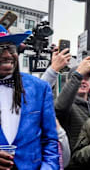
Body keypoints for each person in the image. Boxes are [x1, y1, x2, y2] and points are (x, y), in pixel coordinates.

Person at [0, 25, 59, 169]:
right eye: (1, 49)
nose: (8, 55)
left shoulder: (40, 88)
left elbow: (50, 141)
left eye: (11, 48)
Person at [55, 56, 90, 151]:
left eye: (86, 79)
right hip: (73, 162)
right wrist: (77, 75)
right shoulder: (67, 105)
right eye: (80, 78)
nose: (83, 82)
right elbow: (59, 107)